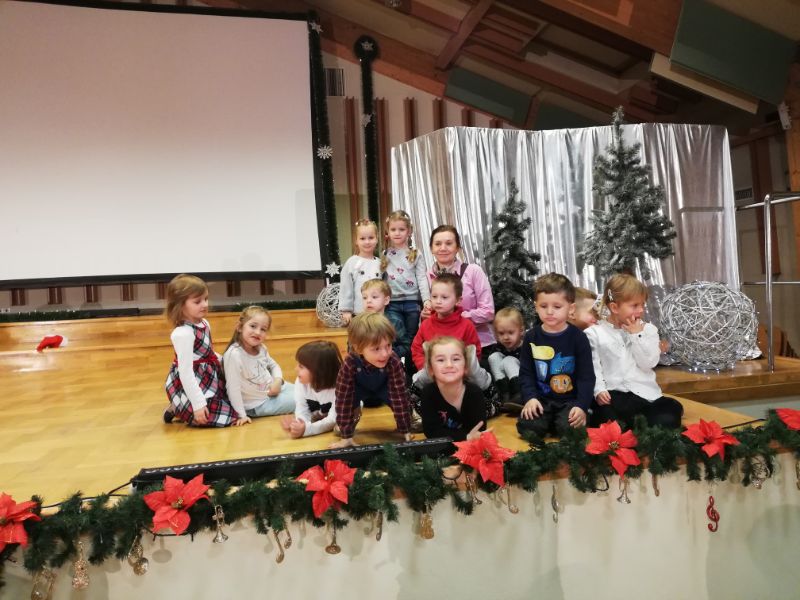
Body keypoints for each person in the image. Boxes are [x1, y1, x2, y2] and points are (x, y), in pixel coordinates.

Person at [585, 274, 683, 429]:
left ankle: (642, 424)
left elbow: (648, 363)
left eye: (642, 304)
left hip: (645, 395)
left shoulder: (648, 330)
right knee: (607, 420)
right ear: (614, 307)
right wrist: (599, 390)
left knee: (668, 417)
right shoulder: (594, 333)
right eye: (634, 305)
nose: (641, 310)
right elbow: (593, 366)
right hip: (613, 395)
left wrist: (637, 335)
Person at [517, 273, 595, 440]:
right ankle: (550, 421)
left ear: (571, 309)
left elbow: (586, 377)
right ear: (536, 306)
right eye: (543, 306)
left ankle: (561, 420)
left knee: (571, 430)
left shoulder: (579, 338)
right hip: (541, 399)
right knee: (528, 427)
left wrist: (581, 406)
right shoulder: (531, 337)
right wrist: (530, 398)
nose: (550, 312)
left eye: (557, 307)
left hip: (570, 401)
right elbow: (526, 373)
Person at [163, 274, 236, 427]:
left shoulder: (204, 323)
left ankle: (179, 406)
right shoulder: (183, 333)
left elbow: (207, 352)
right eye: (197, 302)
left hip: (208, 376)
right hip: (191, 379)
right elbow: (185, 372)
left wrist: (227, 360)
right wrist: (198, 405)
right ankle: (179, 405)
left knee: (233, 404)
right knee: (221, 417)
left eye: (206, 299)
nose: (204, 304)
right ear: (180, 305)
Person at [332, 312, 413, 448]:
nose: (385, 354)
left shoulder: (393, 361)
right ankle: (349, 424)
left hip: (385, 389)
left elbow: (399, 397)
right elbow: (343, 399)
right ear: (358, 348)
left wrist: (405, 429)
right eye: (376, 349)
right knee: (343, 422)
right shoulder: (350, 363)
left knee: (403, 399)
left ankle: (407, 423)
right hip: (358, 390)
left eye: (388, 345)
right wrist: (346, 436)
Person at [410, 273, 490, 389]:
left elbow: (474, 353)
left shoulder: (466, 325)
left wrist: (461, 371)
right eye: (434, 296)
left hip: (460, 373)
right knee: (418, 380)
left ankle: (489, 393)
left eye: (444, 297)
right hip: (433, 372)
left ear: (458, 300)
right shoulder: (426, 324)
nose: (438, 301)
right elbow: (416, 348)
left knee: (479, 379)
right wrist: (425, 367)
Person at [424, 225, 495, 349]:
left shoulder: (473, 271)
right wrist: (425, 315)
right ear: (431, 249)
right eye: (438, 244)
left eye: (449, 243)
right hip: (441, 348)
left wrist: (458, 318)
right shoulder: (426, 277)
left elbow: (488, 312)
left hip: (477, 345)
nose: (443, 248)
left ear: (457, 248)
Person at [222, 306, 295, 425]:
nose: (257, 332)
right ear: (240, 327)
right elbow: (233, 388)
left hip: (275, 389)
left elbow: (274, 366)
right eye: (253, 326)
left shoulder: (261, 348)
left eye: (263, 329)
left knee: (307, 389)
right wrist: (241, 415)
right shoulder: (234, 355)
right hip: (259, 403)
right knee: (304, 399)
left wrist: (278, 381)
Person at [380, 210, 430, 360]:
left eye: (401, 229)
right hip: (392, 303)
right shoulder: (385, 254)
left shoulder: (416, 253)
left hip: (412, 303)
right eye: (393, 229)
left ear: (409, 231)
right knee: (396, 336)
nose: (397, 233)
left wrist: (426, 299)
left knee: (412, 338)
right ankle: (394, 362)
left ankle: (409, 367)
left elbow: (421, 277)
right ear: (388, 232)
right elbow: (380, 280)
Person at [419, 336, 486, 442]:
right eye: (441, 360)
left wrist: (471, 437)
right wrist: (465, 437)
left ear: (465, 367)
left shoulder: (475, 393)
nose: (449, 365)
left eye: (456, 359)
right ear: (431, 369)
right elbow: (431, 432)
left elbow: (478, 431)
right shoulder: (428, 393)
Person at [281, 340, 342, 438]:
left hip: (338, 413)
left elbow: (333, 419)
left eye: (301, 367)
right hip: (320, 414)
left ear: (319, 371)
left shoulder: (340, 388)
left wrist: (306, 429)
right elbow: (301, 409)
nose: (296, 369)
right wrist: (298, 425)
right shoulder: (300, 383)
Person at [339, 219, 382, 325]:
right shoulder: (351, 263)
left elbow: (384, 289)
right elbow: (346, 287)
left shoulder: (380, 263)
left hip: (378, 315)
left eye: (371, 238)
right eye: (362, 238)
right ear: (356, 241)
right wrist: (346, 310)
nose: (367, 242)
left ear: (377, 239)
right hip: (358, 314)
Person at [484, 307, 525, 409]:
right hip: (506, 383)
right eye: (501, 333)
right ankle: (504, 394)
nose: (506, 337)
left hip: (522, 383)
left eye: (511, 332)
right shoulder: (498, 347)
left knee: (508, 360)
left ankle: (518, 394)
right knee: (493, 357)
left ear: (521, 331)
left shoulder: (525, 347)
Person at [360, 278, 410, 361]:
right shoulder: (359, 322)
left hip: (389, 362)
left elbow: (406, 346)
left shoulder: (394, 321)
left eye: (374, 297)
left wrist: (389, 353)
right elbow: (352, 346)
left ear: (386, 300)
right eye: (364, 297)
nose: (368, 301)